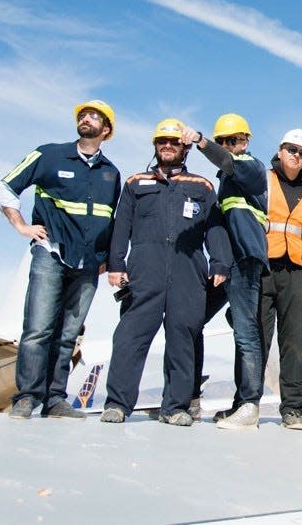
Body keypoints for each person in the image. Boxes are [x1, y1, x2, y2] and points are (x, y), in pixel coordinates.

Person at [100, 119, 231, 426]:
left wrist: (221, 262)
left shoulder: (201, 186)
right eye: (162, 142)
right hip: (145, 267)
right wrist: (116, 263)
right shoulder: (136, 183)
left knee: (183, 335)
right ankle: (117, 403)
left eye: (174, 142)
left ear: (185, 148)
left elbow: (214, 228)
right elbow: (122, 226)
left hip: (189, 269)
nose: (168, 146)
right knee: (131, 335)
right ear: (156, 146)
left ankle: (175, 406)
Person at [0, 100, 120, 420]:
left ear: (106, 130)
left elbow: (110, 218)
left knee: (68, 335)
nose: (86, 118)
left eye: (94, 116)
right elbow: (6, 188)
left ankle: (55, 400)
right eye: (83, 114)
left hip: (89, 266)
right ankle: (27, 397)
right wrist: (21, 226)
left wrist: (106, 256)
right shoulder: (49, 155)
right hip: (51, 254)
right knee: (38, 329)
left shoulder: (111, 173)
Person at [180, 114, 268, 430]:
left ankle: (249, 405)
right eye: (226, 141)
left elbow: (229, 162)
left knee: (245, 333)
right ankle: (188, 397)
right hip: (224, 263)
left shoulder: (252, 169)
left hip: (245, 261)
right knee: (191, 318)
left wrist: (201, 141)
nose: (232, 146)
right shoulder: (224, 181)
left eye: (237, 140)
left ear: (246, 141)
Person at [260, 129, 302, 431]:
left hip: (297, 273)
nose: (297, 155)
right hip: (263, 268)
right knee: (255, 339)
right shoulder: (263, 181)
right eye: (292, 149)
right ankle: (245, 403)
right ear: (280, 150)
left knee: (295, 341)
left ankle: (293, 410)